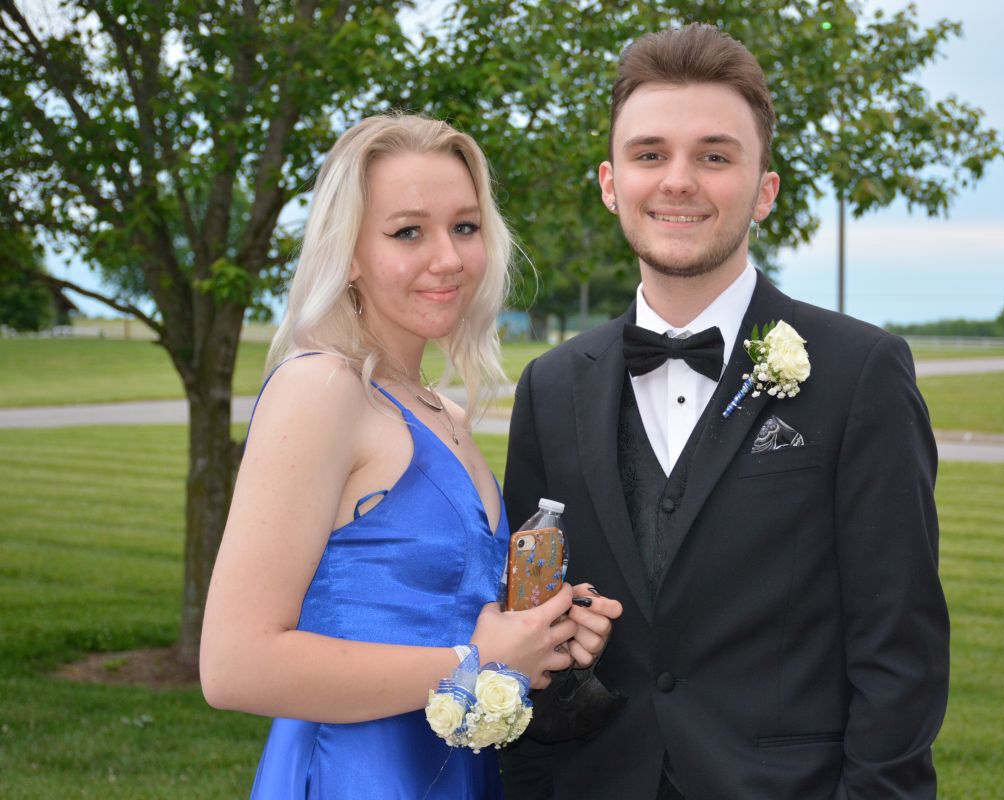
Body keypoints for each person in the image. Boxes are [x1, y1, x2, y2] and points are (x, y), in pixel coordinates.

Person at [502, 24, 950, 799]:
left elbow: (900, 648)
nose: (678, 181)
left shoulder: (861, 372)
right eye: (650, 155)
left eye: (714, 156)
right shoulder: (549, 387)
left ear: (764, 191)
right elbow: (526, 630)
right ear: (610, 183)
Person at [199, 113, 621, 799]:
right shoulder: (320, 390)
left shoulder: (443, 414)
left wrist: (542, 637)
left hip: (458, 774)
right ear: (349, 252)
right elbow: (233, 666)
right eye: (407, 232)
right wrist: (475, 661)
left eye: (465, 226)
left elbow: (446, 613)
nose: (448, 258)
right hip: (356, 776)